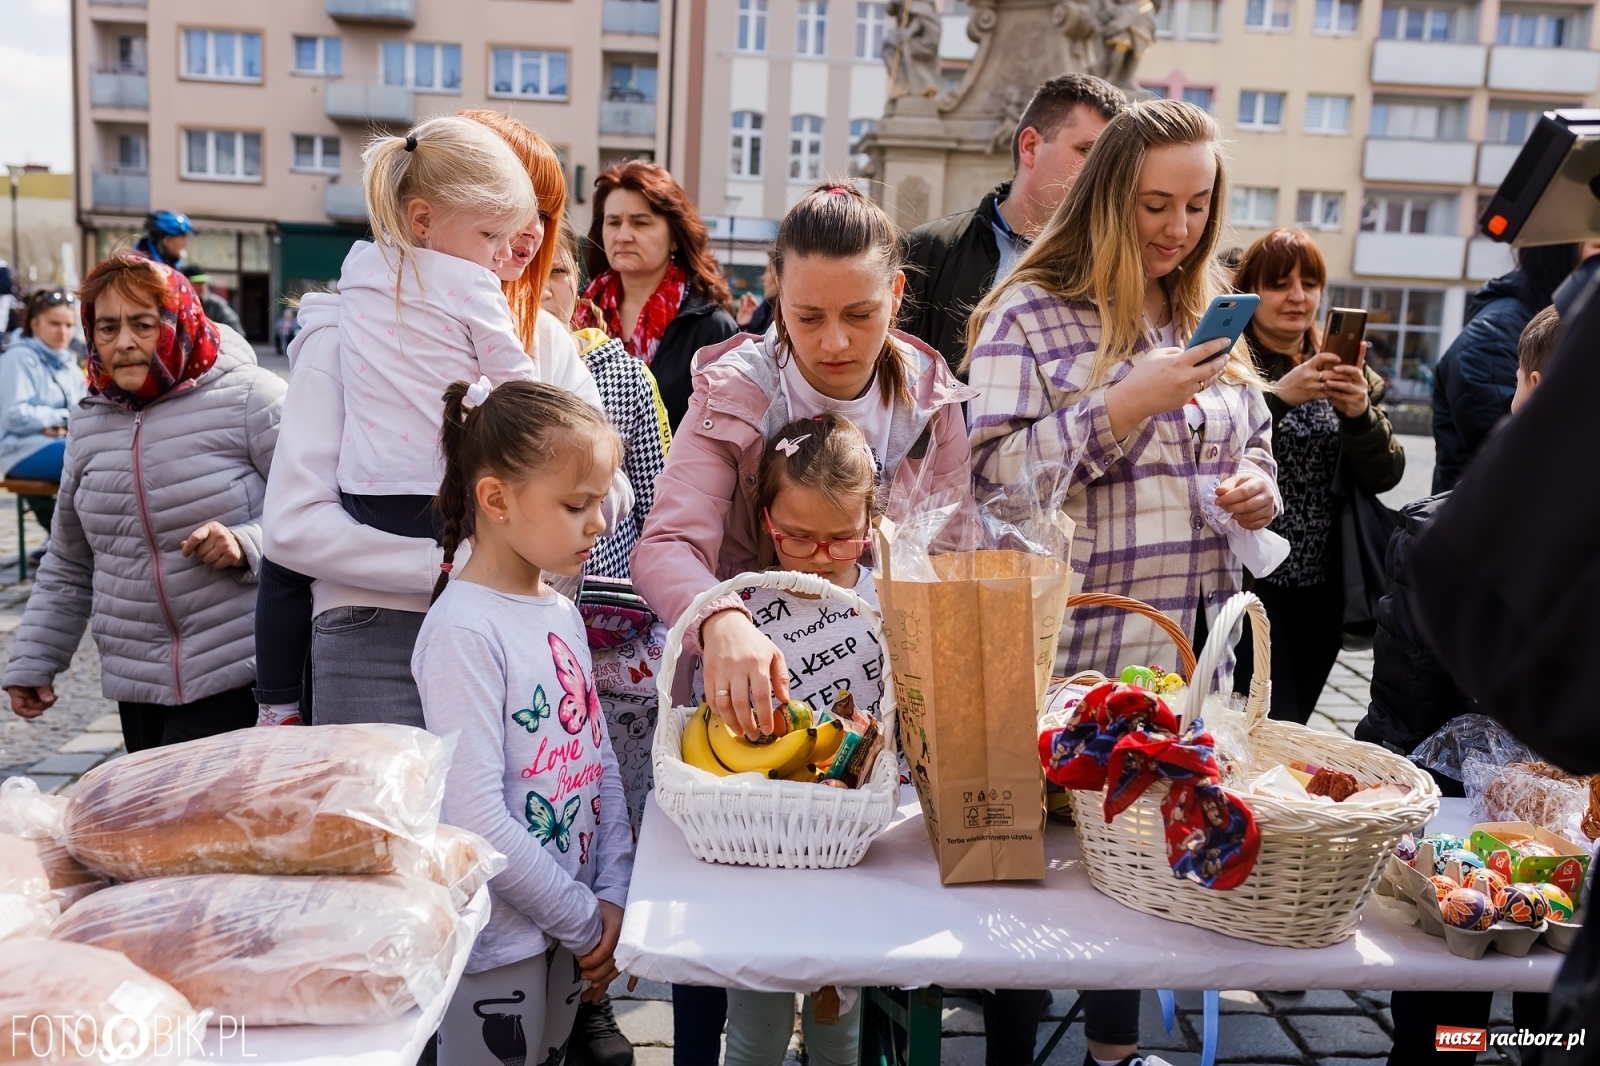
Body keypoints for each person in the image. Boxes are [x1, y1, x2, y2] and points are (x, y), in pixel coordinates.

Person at [630, 182, 973, 1066]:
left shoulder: (931, 400)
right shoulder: (737, 387)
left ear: (898, 295)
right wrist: (722, 616)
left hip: (876, 723)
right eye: (806, 314)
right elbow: (666, 543)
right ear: (773, 290)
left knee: (858, 962)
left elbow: (956, 558)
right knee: (728, 955)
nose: (831, 342)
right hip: (742, 712)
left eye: (859, 314)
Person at [966, 98, 1278, 1066]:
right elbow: (990, 480)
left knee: (1141, 864)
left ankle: (1113, 1051)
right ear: (1104, 198)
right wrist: (1119, 406)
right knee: (1024, 874)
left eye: (1195, 205)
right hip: (1059, 653)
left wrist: (1253, 490)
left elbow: (1248, 438)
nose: (1177, 229)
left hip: (1174, 654)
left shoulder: (1199, 308)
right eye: (1153, 205)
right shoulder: (1028, 309)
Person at [257, 109, 613, 732]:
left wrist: (514, 558)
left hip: (514, 624)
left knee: (504, 822)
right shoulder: (346, 332)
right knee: (383, 824)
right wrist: (452, 565)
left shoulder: (548, 343)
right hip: (376, 629)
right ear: (429, 211)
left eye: (543, 215)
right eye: (505, 213)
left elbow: (607, 493)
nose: (526, 234)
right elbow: (292, 526)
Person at [415, 378, 633, 1066]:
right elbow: (474, 813)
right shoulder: (463, 631)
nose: (599, 522)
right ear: (496, 499)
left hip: (573, 926)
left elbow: (598, 762)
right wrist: (582, 917)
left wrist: (614, 892)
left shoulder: (561, 610)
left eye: (600, 501)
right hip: (503, 939)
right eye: (577, 504)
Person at [1362, 306, 1558, 1066]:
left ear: (1532, 390)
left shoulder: (1442, 534)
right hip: (1581, 833)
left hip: (1462, 838)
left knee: (1445, 1034)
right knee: (1562, 1032)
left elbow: (1407, 719)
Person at [2, 252, 284, 751]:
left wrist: (247, 542)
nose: (124, 342)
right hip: (137, 685)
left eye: (143, 324)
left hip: (242, 670)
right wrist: (35, 659)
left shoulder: (251, 398)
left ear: (179, 320)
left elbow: (319, 511)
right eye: (107, 328)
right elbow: (69, 559)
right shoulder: (88, 420)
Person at [713, 414, 882, 1066]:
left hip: (853, 840)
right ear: (764, 521)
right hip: (762, 839)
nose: (820, 557)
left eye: (843, 540)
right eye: (799, 538)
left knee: (838, 1022)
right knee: (754, 1025)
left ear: (870, 522)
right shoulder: (744, 609)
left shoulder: (884, 601)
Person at [1232, 229, 1404, 724]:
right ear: (1251, 292)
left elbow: (1385, 474)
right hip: (1245, 581)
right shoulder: (1230, 361)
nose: (1297, 297)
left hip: (1321, 586)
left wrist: (1358, 414)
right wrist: (1279, 398)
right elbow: (1208, 453)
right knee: (1249, 718)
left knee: (1293, 719)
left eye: (1310, 283)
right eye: (1279, 284)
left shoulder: (1348, 369)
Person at [544, 222, 672, 839]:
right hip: (522, 614)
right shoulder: (479, 363)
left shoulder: (619, 374)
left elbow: (654, 500)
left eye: (558, 273)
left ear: (579, 284)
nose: (542, 289)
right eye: (530, 270)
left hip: (611, 621)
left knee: (611, 788)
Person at [900, 73, 1126, 375]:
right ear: (1030, 146)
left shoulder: (1119, 266)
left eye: (1111, 160)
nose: (1103, 172)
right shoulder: (926, 253)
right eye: (1088, 151)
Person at [573, 161, 739, 431]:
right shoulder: (577, 312)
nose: (623, 235)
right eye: (613, 222)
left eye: (640, 223)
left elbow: (723, 433)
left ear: (674, 237)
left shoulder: (710, 328)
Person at [1430, 239, 1600, 492]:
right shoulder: (1498, 331)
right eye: (1597, 247)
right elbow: (1512, 449)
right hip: (1491, 520)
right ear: (1555, 248)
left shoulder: (1570, 319)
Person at [0, 288, 88, 543]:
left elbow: (81, 410)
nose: (63, 331)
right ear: (34, 323)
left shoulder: (69, 363)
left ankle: (68, 541)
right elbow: (14, 415)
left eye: (69, 325)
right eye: (55, 323)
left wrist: (61, 424)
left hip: (58, 442)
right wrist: (61, 419)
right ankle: (68, 542)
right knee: (90, 461)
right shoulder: (19, 358)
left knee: (103, 456)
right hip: (20, 449)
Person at [180, 264, 244, 335]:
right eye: (197, 283)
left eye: (204, 283)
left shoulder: (216, 304)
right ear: (186, 284)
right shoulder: (179, 304)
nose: (202, 286)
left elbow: (235, 328)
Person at [734, 257, 776, 336]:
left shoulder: (776, 318)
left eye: (767, 270)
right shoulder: (764, 313)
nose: (762, 278)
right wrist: (744, 324)